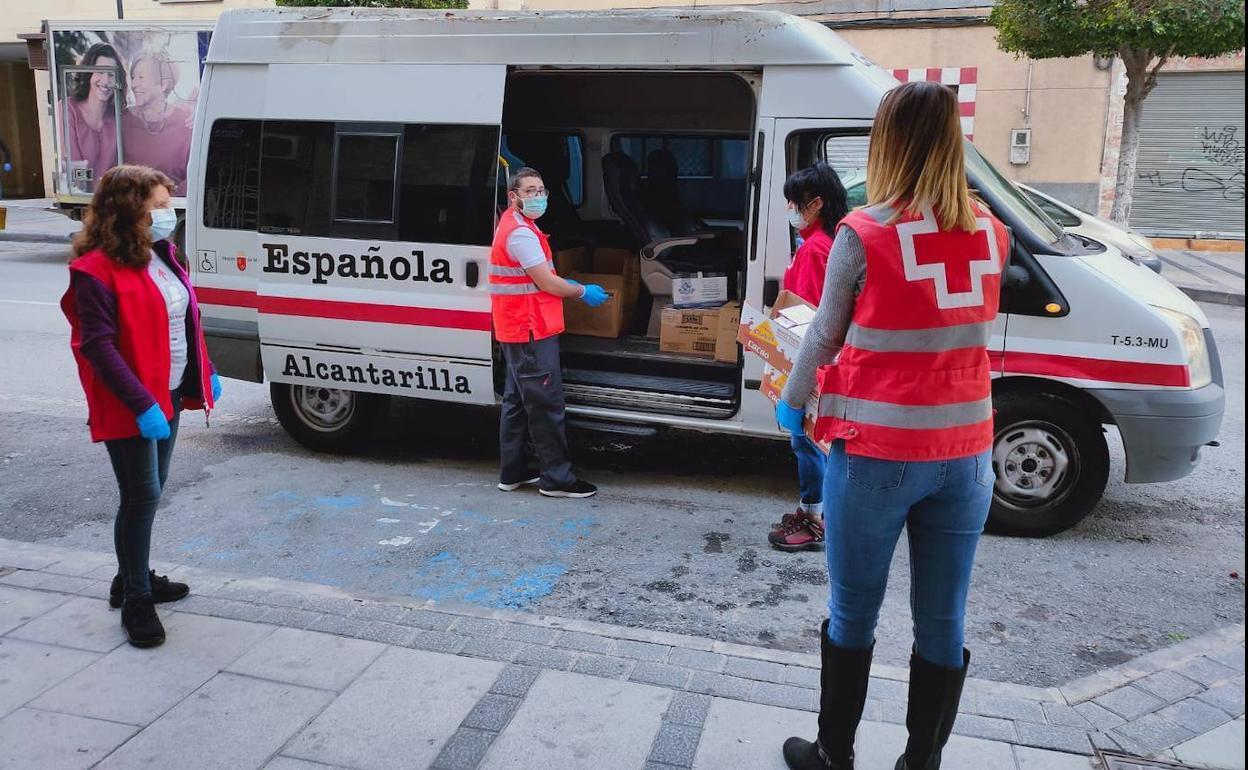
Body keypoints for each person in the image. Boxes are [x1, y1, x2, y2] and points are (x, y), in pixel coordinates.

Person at [777, 81, 1009, 770]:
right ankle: (920, 763)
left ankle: (833, 755)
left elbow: (823, 337)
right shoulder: (991, 230)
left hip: (877, 452)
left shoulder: (865, 232)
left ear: (887, 143)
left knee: (854, 611)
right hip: (966, 455)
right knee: (943, 619)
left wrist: (793, 401)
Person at [60, 165, 222, 648]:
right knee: (141, 496)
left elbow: (185, 320)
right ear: (130, 210)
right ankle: (136, 599)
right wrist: (141, 404)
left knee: (151, 490)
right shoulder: (94, 271)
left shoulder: (165, 255)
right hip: (131, 402)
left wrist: (206, 369)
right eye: (160, 205)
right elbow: (98, 346)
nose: (169, 213)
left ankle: (129, 574)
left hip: (167, 393)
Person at [491, 167, 606, 499]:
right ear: (513, 197)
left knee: (516, 400)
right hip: (530, 329)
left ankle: (512, 472)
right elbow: (547, 283)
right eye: (530, 191)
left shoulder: (516, 225)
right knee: (545, 405)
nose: (538, 196)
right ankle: (556, 479)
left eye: (541, 190)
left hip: (517, 327)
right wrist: (582, 291)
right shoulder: (521, 233)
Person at [767, 162, 849, 553]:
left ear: (815, 204)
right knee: (813, 443)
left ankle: (814, 518)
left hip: (809, 364)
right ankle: (813, 510)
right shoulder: (823, 240)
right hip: (814, 360)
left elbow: (811, 318)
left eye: (793, 201)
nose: (789, 208)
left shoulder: (817, 248)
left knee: (808, 442)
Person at [120, 51, 194, 196]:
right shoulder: (123, 119)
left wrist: (166, 200)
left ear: (163, 84)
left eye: (141, 77)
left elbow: (194, 173)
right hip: (130, 206)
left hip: (173, 206)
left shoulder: (186, 121)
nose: (134, 84)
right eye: (133, 77)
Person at [65, 43, 124, 192]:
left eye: (111, 74)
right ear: (89, 73)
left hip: (113, 199)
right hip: (82, 199)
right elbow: (75, 168)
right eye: (100, 72)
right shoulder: (68, 109)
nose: (105, 81)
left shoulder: (117, 117)